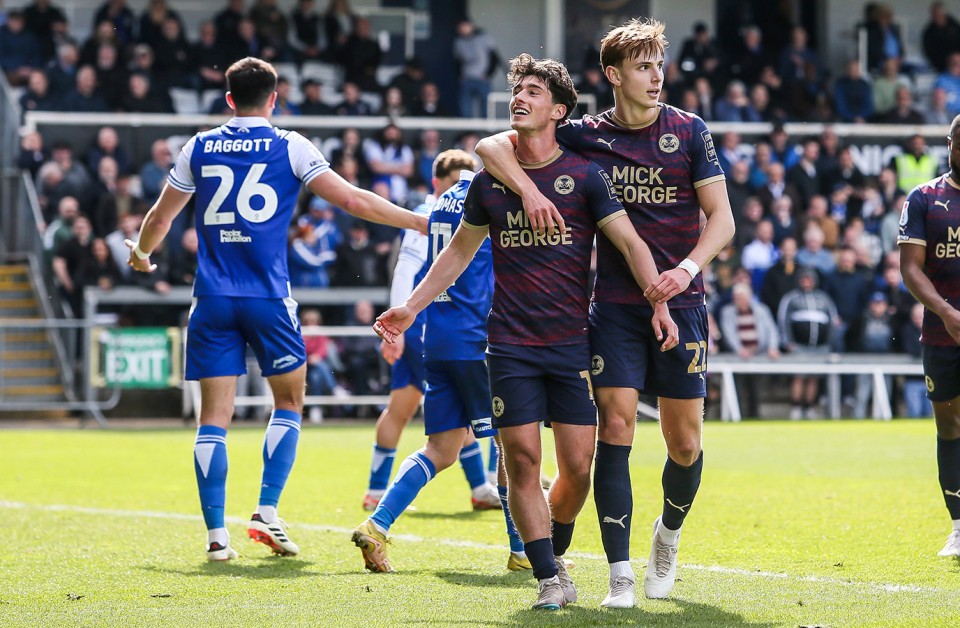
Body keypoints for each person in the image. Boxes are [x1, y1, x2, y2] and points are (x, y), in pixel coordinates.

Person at [377, 52, 677, 610]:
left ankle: (552, 552)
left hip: (570, 343)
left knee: (578, 469)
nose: (522, 98)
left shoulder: (585, 176)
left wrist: (659, 301)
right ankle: (547, 576)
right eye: (520, 91)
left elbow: (632, 244)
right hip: (508, 344)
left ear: (559, 110)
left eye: (535, 92)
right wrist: (410, 307)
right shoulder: (490, 184)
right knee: (520, 459)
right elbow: (456, 254)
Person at [125, 57, 427, 562]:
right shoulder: (290, 144)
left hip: (213, 300)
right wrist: (415, 222)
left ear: (227, 99)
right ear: (274, 97)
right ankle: (266, 510)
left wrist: (141, 254)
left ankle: (216, 536)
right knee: (288, 402)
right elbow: (352, 200)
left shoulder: (198, 146)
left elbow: (160, 216)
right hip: (268, 298)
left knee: (212, 419)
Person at [475, 18, 735, 605]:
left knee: (685, 444)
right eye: (643, 67)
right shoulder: (586, 135)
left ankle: (665, 537)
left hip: (682, 301)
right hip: (614, 308)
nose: (656, 77)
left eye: (659, 66)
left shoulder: (690, 131)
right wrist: (530, 188)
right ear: (615, 75)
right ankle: (618, 575)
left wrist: (686, 270)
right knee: (615, 430)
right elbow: (492, 147)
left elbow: (722, 219)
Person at [354, 149, 519, 577]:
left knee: (440, 448)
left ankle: (377, 523)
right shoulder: (488, 196)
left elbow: (414, 266)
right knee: (513, 447)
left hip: (438, 340)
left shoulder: (438, 204)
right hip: (478, 341)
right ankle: (523, 550)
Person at [898, 113, 960, 557]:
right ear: (951, 143)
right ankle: (958, 526)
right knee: (949, 424)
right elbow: (910, 269)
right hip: (941, 334)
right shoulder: (924, 198)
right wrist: (947, 312)